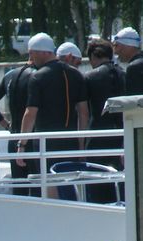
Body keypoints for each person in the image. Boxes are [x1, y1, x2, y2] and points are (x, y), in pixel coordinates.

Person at [17, 33, 89, 188]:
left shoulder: (38, 77)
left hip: (46, 143)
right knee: (71, 185)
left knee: (49, 186)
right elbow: (83, 112)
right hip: (71, 143)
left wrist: (22, 145)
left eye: (31, 52)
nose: (30, 57)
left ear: (43, 52)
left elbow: (30, 114)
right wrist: (81, 144)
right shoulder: (76, 74)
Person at [0, 51, 36, 193]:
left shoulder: (10, 75)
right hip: (33, 138)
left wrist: (6, 125)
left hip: (13, 138)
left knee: (19, 190)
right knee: (38, 187)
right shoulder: (38, 75)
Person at [83, 39, 124, 176]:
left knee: (96, 180)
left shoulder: (90, 77)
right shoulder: (124, 74)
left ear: (93, 57)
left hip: (97, 136)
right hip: (122, 135)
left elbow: (84, 111)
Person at [113, 27, 143, 95]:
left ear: (128, 46)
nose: (115, 51)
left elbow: (133, 101)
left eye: (116, 46)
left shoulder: (134, 67)